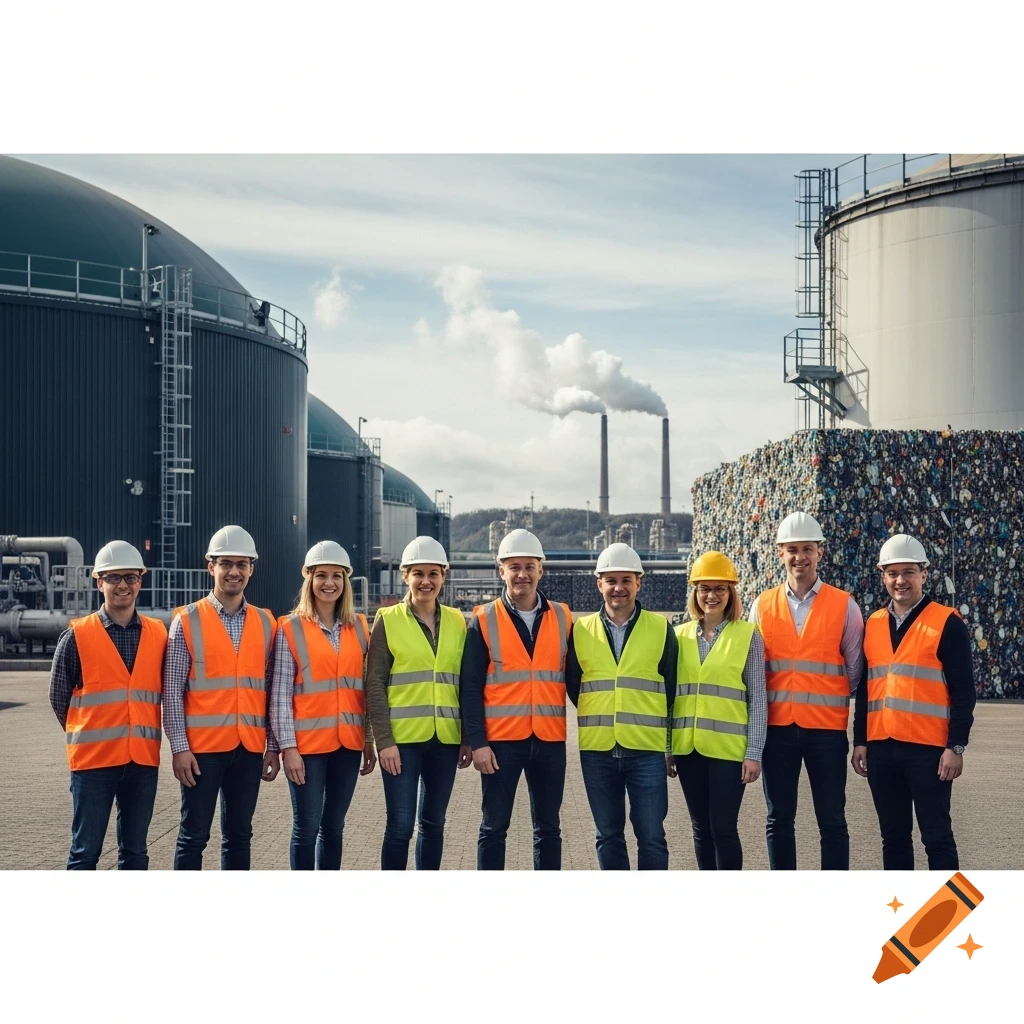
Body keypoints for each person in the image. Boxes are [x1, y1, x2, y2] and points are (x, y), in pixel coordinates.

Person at [851, 534, 976, 870]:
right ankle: (903, 915)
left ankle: (947, 920)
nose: (900, 580)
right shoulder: (873, 622)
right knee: (892, 838)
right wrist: (860, 741)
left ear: (924, 573)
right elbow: (866, 688)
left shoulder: (946, 622)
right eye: (893, 573)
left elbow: (964, 692)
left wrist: (957, 747)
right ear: (883, 575)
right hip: (881, 750)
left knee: (936, 837)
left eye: (908, 572)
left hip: (930, 752)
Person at [748, 511, 864, 870]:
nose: (800, 557)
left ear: (820, 552)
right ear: (780, 553)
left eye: (807, 549)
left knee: (832, 820)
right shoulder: (761, 605)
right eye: (792, 549)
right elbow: (754, 670)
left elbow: (854, 669)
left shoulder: (844, 605)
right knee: (778, 819)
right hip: (778, 731)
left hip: (826, 732)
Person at [162, 525, 279, 870]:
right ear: (210, 566)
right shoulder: (187, 620)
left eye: (242, 564)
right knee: (193, 835)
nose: (234, 572)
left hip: (248, 749)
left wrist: (271, 744)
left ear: (252, 569)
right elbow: (171, 692)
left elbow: (271, 691)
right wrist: (179, 748)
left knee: (240, 835)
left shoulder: (266, 622)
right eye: (226, 563)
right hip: (202, 752)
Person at [48, 541, 166, 870]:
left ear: (141, 580)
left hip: (142, 762)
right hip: (94, 765)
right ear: (99, 582)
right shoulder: (77, 636)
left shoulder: (158, 635)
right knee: (85, 853)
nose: (123, 585)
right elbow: (58, 697)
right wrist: (88, 732)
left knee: (136, 852)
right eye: (113, 578)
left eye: (130, 577)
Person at [461, 528, 572, 870]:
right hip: (500, 745)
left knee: (549, 830)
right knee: (494, 828)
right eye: (514, 567)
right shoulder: (483, 619)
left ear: (541, 569)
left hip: (550, 741)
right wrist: (477, 742)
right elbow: (470, 686)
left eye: (529, 566)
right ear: (502, 571)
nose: (522, 574)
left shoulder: (564, 617)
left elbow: (579, 680)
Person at [566, 542, 676, 870]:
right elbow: (576, 686)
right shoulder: (580, 630)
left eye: (626, 580)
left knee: (651, 835)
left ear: (638, 582)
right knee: (607, 835)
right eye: (611, 580)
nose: (618, 588)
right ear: (599, 583)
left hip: (646, 750)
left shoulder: (660, 628)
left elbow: (671, 686)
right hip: (598, 750)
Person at [365, 537, 471, 869]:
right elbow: (375, 682)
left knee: (434, 826)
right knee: (400, 826)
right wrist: (384, 741)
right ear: (404, 576)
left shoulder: (457, 621)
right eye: (418, 574)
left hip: (446, 740)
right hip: (402, 742)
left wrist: (467, 736)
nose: (426, 581)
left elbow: (464, 683)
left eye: (433, 574)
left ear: (444, 576)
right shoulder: (388, 619)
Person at [270, 541, 376, 870]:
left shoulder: (359, 627)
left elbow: (367, 690)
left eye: (336, 576)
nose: (329, 583)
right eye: (321, 576)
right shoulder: (289, 628)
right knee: (306, 828)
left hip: (347, 745)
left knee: (334, 828)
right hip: (307, 748)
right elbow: (279, 696)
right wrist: (287, 748)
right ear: (309, 580)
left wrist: (369, 739)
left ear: (345, 582)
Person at [668, 551, 766, 870]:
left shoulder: (747, 635)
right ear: (694, 592)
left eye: (720, 588)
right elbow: (669, 698)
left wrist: (753, 752)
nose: (711, 595)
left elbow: (758, 698)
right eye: (704, 588)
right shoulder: (678, 636)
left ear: (731, 592)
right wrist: (668, 747)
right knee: (700, 830)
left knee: (723, 829)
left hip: (728, 751)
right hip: (688, 748)